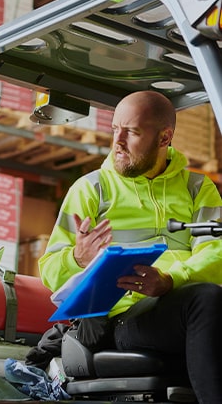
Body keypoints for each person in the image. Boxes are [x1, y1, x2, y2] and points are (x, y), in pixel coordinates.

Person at [38, 91, 222, 403]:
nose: (118, 142)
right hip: (121, 319)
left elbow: (216, 251)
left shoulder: (197, 189)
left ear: (165, 137)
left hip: (173, 307)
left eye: (132, 132)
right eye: (114, 129)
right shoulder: (91, 189)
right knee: (206, 300)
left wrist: (170, 280)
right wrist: (77, 259)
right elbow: (50, 271)